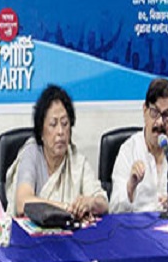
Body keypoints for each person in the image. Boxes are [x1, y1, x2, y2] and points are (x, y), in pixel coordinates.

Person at [6, 84, 108, 221]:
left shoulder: (77, 161)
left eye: (65, 124)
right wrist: (66, 208)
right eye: (53, 124)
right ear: (41, 131)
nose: (60, 131)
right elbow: (22, 203)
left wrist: (90, 203)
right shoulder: (32, 154)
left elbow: (103, 204)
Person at [110, 78, 168, 213]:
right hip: (137, 225)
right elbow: (113, 210)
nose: (160, 122)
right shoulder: (128, 151)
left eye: (167, 115)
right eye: (155, 112)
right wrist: (130, 186)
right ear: (145, 111)